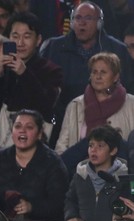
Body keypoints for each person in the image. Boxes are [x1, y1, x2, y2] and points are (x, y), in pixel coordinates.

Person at [40, 1, 134, 147]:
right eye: (78, 18)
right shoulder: (53, 47)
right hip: (64, 120)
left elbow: (128, 85)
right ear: (71, 22)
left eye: (88, 18)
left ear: (99, 24)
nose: (81, 23)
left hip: (111, 120)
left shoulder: (117, 50)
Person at [0, 11, 63, 151]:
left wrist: (24, 73)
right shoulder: (4, 66)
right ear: (8, 38)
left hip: (35, 146)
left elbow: (46, 107)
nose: (20, 43)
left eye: (27, 36)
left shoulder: (51, 70)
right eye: (15, 36)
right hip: (0, 145)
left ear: (38, 40)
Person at [0, 109, 69, 221]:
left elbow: (59, 203)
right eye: (17, 126)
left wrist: (31, 207)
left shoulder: (53, 163)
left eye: (29, 127)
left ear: (39, 134)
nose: (22, 131)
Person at [55, 52, 134, 173]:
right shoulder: (75, 105)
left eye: (103, 72)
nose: (98, 76)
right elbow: (62, 147)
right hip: (80, 173)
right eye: (94, 72)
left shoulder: (131, 104)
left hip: (120, 173)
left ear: (116, 77)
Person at [65, 125, 129, 221]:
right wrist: (71, 216)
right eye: (91, 145)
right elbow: (70, 200)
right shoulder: (81, 174)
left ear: (113, 151)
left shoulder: (124, 177)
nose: (93, 150)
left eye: (100, 146)